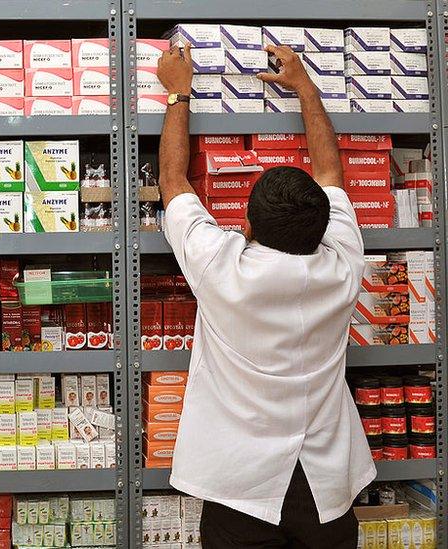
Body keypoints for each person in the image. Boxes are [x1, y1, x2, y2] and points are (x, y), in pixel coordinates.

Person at [153, 44, 376, 548]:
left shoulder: (220, 266)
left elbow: (172, 180)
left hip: (241, 488)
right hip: (325, 486)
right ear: (322, 225)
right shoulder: (343, 264)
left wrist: (177, 93)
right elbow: (330, 175)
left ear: (246, 223)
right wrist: (304, 86)